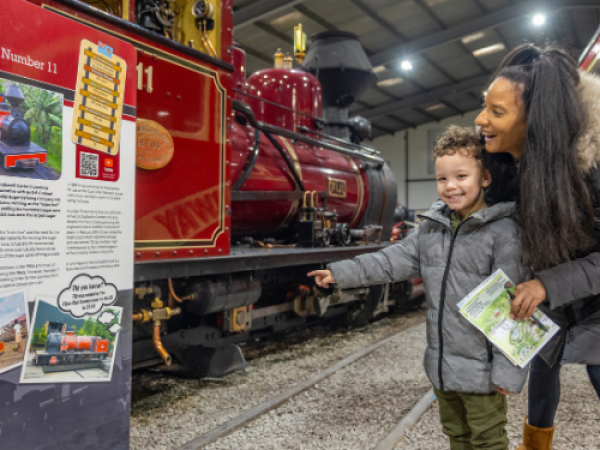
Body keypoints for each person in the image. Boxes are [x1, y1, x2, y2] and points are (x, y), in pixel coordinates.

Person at [309, 126, 530, 450]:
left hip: (482, 372)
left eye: (461, 176)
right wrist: (339, 273)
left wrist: (508, 373)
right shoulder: (433, 229)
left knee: (488, 440)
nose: (450, 186)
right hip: (442, 366)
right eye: (442, 179)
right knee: (457, 435)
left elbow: (514, 308)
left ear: (485, 178)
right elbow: (390, 260)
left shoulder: (504, 233)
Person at [475, 44, 600, 450]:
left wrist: (547, 283)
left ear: (535, 119)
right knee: (544, 364)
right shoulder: (507, 164)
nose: (481, 120)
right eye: (484, 106)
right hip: (555, 288)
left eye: (497, 112)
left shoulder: (592, 169)